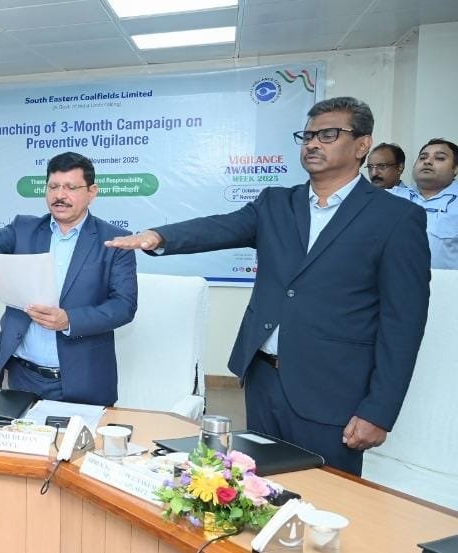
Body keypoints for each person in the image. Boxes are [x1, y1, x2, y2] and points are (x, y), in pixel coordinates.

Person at [106, 97, 430, 476]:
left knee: (326, 497)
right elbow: (219, 227)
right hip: (263, 378)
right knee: (261, 488)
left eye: (328, 135)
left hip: (333, 389)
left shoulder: (396, 217)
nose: (313, 144)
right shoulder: (276, 203)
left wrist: (379, 411)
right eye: (307, 136)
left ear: (362, 145)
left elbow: (403, 324)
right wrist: (159, 236)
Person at [0, 152, 137, 405]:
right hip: (23, 377)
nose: (60, 195)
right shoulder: (25, 229)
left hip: (83, 379)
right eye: (53, 187)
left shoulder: (116, 241)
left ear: (92, 192)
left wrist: (69, 320)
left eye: (70, 187)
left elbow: (123, 306)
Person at [390, 138, 457, 269]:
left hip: (445, 281)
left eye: (439, 158)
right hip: (394, 279)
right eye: (422, 158)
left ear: (455, 169)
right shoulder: (391, 197)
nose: (427, 161)